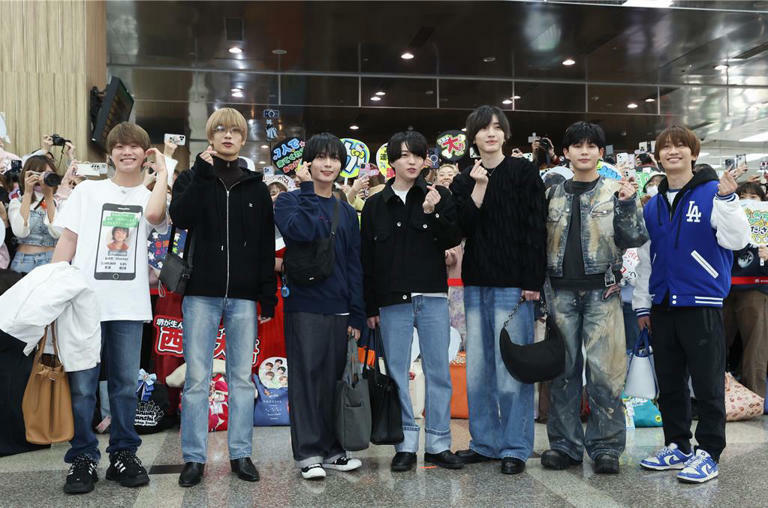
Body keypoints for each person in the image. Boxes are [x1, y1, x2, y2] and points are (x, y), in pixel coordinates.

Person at [52, 122, 169, 494]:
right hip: (84, 303)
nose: (126, 152)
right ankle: (83, 456)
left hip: (129, 306)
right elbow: (68, 240)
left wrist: (164, 172)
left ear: (145, 153)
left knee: (124, 386)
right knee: (83, 386)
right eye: (119, 146)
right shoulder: (88, 191)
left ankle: (123, 453)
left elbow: (156, 219)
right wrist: (52, 288)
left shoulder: (151, 197)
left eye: (134, 146)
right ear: (110, 153)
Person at [633, 125, 750, 483]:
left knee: (707, 383)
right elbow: (646, 258)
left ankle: (709, 452)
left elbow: (737, 240)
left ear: (693, 154)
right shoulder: (653, 205)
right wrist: (642, 305)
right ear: (657, 157)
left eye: (680, 146)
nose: (673, 152)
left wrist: (729, 201)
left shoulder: (714, 193)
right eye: (666, 147)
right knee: (670, 383)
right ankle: (678, 445)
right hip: (663, 304)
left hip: (702, 302)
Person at [169, 108, 276, 487]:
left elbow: (265, 245)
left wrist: (267, 295)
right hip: (200, 293)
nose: (228, 136)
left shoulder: (256, 186)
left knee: (241, 379)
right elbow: (181, 217)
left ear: (243, 139)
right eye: (221, 130)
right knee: (197, 378)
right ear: (211, 136)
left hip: (244, 297)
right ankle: (194, 458)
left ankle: (241, 454)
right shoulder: (193, 177)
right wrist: (201, 173)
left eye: (235, 131)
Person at [541, 122, 648, 474]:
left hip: (603, 291)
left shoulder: (616, 191)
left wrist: (627, 204)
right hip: (560, 292)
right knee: (563, 373)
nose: (584, 151)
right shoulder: (551, 194)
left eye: (591, 146)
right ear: (566, 152)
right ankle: (564, 445)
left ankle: (606, 447)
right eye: (577, 145)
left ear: (601, 153)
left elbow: (635, 238)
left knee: (605, 373)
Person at [449, 105, 547, 475]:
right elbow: (461, 229)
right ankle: (485, 443)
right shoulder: (465, 179)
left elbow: (536, 227)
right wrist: (478, 187)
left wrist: (532, 282)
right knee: (478, 369)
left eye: (496, 127)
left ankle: (516, 447)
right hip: (476, 282)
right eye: (483, 128)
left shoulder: (523, 172)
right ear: (472, 137)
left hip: (514, 285)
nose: (491, 134)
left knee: (511, 369)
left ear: (505, 134)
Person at [361, 131, 464, 473]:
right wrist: (371, 307)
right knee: (397, 372)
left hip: (432, 296)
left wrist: (433, 212)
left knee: (438, 372)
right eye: (404, 155)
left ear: (424, 161)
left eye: (417, 155)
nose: (411, 161)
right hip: (392, 301)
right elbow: (367, 259)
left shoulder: (438, 195)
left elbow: (452, 238)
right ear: (391, 161)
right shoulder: (375, 204)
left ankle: (438, 443)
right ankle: (404, 444)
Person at [275, 133, 365, 480]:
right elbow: (303, 231)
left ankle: (334, 450)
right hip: (304, 304)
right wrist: (308, 191)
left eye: (334, 158)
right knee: (306, 379)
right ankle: (309, 453)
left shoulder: (346, 211)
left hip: (339, 306)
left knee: (334, 381)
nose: (328, 164)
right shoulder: (289, 202)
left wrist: (357, 312)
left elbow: (354, 264)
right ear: (308, 163)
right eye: (321, 157)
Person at [724, 182, 768, 399]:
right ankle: (714, 396)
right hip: (724, 288)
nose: (748, 200)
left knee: (756, 347)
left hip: (756, 288)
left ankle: (756, 398)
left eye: (754, 196)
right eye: (742, 196)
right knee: (718, 344)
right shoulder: (724, 217)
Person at [8, 155, 61, 272]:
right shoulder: (17, 202)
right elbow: (20, 232)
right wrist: (28, 193)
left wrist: (48, 196)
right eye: (40, 174)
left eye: (48, 174)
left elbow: (57, 233)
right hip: (24, 261)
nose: (43, 178)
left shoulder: (59, 202)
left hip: (51, 259)